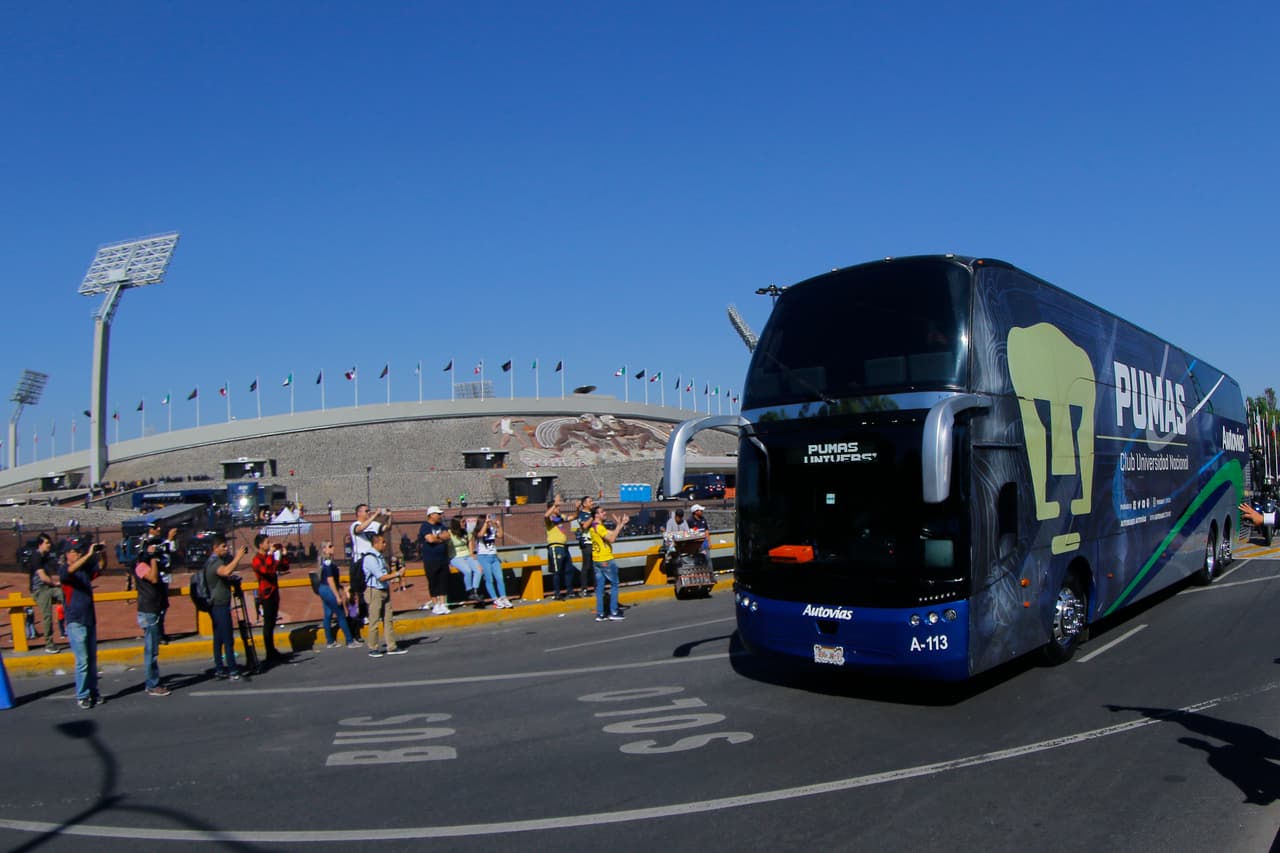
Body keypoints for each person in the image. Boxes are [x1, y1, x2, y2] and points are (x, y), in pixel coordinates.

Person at [60, 536, 107, 708]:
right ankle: (82, 694)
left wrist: (101, 553)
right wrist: (88, 555)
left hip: (89, 619)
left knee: (92, 661)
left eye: (80, 550)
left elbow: (101, 567)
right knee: (82, 661)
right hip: (75, 621)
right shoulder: (64, 571)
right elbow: (70, 570)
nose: (78, 553)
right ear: (67, 554)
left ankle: (93, 691)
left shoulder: (84, 570)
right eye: (75, 551)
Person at [204, 534, 250, 680]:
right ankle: (232, 670)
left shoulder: (214, 561)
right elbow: (225, 571)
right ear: (215, 548)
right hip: (219, 605)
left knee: (218, 638)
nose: (226, 548)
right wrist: (238, 557)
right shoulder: (215, 562)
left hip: (218, 604)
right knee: (227, 639)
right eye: (223, 546)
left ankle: (220, 668)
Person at [135, 536, 171, 696]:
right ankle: (152, 684)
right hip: (148, 611)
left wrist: (159, 556)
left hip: (154, 609)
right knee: (151, 651)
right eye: (151, 547)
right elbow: (154, 578)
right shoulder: (140, 566)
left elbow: (166, 568)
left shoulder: (150, 563)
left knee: (153, 650)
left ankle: (152, 682)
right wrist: (153, 558)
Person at [361, 531, 407, 657]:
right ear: (375, 543)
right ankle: (373, 647)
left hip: (384, 589)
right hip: (374, 591)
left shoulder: (380, 556)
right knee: (374, 620)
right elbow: (380, 577)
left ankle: (391, 646)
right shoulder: (370, 558)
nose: (385, 544)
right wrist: (397, 574)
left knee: (388, 619)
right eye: (383, 542)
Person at [587, 505, 630, 622]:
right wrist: (619, 526)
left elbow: (612, 534)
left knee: (600, 587)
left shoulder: (594, 527)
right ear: (596, 515)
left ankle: (600, 614)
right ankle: (614, 611)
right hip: (605, 559)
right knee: (614, 584)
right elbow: (612, 539)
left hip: (597, 560)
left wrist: (620, 524)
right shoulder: (599, 527)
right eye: (602, 512)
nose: (604, 513)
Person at [349, 503, 391, 624]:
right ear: (359, 513)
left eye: (369, 511)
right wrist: (375, 515)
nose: (369, 513)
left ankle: (375, 612)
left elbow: (387, 528)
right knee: (359, 589)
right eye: (366, 511)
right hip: (359, 560)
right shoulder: (355, 525)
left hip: (372, 559)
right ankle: (358, 614)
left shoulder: (374, 525)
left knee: (375, 586)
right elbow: (360, 529)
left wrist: (389, 517)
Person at [316, 541, 359, 647]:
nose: (333, 547)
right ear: (324, 549)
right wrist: (337, 596)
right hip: (328, 590)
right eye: (330, 546)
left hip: (323, 589)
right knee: (341, 615)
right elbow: (330, 580)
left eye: (332, 545)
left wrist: (341, 587)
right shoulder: (328, 563)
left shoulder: (325, 562)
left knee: (328, 614)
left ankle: (330, 641)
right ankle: (350, 641)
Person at [251, 534, 285, 664]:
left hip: (274, 592)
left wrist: (282, 555)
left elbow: (282, 567)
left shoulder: (268, 557)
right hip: (266, 594)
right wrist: (271, 555)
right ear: (260, 545)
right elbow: (266, 570)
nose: (269, 544)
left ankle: (272, 650)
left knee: (272, 623)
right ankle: (269, 652)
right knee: (268, 624)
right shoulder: (257, 560)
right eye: (267, 542)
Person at [27, 533, 63, 653]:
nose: (49, 545)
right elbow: (43, 577)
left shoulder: (45, 556)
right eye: (47, 543)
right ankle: (49, 644)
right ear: (40, 544)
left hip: (48, 587)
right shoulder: (36, 556)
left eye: (49, 542)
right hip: (39, 590)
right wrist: (56, 584)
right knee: (47, 615)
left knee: (68, 596)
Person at [417, 506, 451, 615]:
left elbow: (447, 536)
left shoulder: (441, 525)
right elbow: (430, 539)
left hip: (443, 558)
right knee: (433, 582)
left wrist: (437, 537)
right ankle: (436, 604)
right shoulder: (425, 526)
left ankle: (442, 604)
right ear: (431, 515)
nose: (440, 516)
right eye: (438, 514)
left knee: (443, 581)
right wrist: (440, 538)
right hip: (431, 559)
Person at [474, 514, 512, 609]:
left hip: (494, 557)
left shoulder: (491, 529)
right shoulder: (477, 531)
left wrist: (499, 526)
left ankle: (503, 597)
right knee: (489, 579)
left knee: (499, 578)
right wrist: (485, 524)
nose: (490, 522)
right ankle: (495, 599)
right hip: (483, 557)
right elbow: (480, 535)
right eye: (488, 520)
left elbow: (500, 535)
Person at [545, 495, 577, 599]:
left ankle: (570, 591)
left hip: (564, 546)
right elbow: (546, 515)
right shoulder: (550, 519)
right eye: (557, 507)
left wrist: (577, 509)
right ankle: (557, 593)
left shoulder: (561, 517)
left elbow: (573, 517)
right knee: (557, 571)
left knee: (569, 569)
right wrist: (555, 504)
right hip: (555, 546)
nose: (559, 509)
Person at [447, 516, 484, 603]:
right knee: (467, 571)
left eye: (465, 521)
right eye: (462, 522)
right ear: (457, 523)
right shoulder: (449, 533)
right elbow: (445, 547)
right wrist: (447, 561)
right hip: (455, 557)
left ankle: (475, 591)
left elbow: (470, 543)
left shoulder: (466, 532)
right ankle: (470, 591)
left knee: (479, 570)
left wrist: (472, 555)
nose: (465, 523)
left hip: (467, 555)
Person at [575, 495, 597, 596]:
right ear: (584, 504)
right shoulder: (581, 514)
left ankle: (597, 586)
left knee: (596, 566)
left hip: (595, 543)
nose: (592, 503)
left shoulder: (594, 513)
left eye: (592, 501)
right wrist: (592, 517)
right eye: (590, 501)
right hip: (587, 543)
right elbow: (584, 526)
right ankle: (584, 588)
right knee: (586, 566)